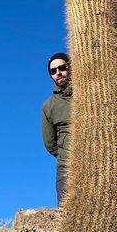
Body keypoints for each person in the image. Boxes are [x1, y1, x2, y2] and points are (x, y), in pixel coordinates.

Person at [41, 52, 72, 204]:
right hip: (66, 167)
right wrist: (66, 153)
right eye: (53, 71)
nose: (58, 73)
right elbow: (50, 143)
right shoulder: (49, 106)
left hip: (98, 164)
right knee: (67, 213)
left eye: (62, 68)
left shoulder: (91, 95)